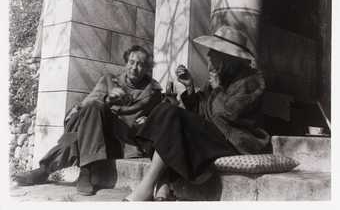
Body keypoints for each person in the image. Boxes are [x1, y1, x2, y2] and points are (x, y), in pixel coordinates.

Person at [124, 25, 271, 201]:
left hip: (235, 143)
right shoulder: (221, 78)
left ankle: (148, 187)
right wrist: (190, 86)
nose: (208, 56)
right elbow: (202, 114)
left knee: (172, 115)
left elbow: (228, 115)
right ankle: (163, 184)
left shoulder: (252, 81)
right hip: (216, 136)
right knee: (163, 111)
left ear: (227, 58)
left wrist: (217, 90)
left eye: (213, 52)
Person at [15, 45, 162, 196]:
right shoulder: (110, 81)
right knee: (94, 107)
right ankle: (86, 170)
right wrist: (107, 99)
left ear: (147, 69)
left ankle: (44, 170)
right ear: (126, 63)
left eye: (140, 64)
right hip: (97, 134)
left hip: (121, 142)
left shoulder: (153, 93)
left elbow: (160, 118)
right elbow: (86, 105)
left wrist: (145, 121)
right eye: (131, 62)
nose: (134, 67)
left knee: (80, 136)